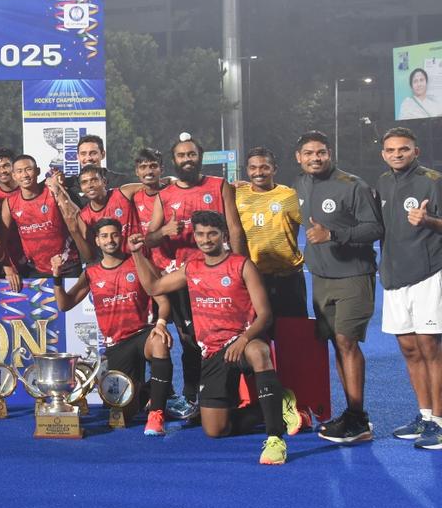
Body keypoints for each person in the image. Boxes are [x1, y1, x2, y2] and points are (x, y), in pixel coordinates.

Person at [134, 211, 301, 465]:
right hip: (211, 353)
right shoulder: (192, 268)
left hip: (243, 343)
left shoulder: (242, 265)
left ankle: (275, 439)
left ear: (223, 234)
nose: (206, 239)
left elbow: (265, 315)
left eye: (212, 233)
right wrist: (137, 253)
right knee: (215, 430)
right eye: (200, 234)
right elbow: (154, 288)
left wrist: (244, 339)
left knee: (260, 352)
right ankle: (278, 404)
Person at [144, 136, 247, 420]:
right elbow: (149, 239)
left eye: (191, 154)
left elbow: (235, 229)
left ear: (200, 156)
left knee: (221, 335)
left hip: (217, 276)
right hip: (180, 279)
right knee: (190, 339)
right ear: (174, 160)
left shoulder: (218, 186)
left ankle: (228, 394)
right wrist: (164, 231)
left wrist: (240, 269)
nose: (187, 159)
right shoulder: (164, 195)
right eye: (181, 155)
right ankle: (192, 398)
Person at [294, 130, 383, 444]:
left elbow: (374, 228)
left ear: (329, 153)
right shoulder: (300, 185)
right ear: (299, 157)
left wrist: (332, 235)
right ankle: (352, 412)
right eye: (309, 153)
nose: (315, 158)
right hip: (320, 279)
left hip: (353, 277)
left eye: (321, 152)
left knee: (347, 343)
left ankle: (359, 419)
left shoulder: (353, 185)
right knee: (336, 344)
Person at [51, 222, 174, 436]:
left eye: (115, 235)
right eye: (105, 236)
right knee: (123, 414)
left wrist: (161, 324)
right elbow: (64, 304)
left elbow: (163, 301)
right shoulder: (91, 272)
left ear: (121, 237)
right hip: (116, 345)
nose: (110, 240)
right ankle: (152, 389)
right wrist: (57, 278)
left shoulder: (138, 262)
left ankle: (156, 414)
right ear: (97, 241)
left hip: (143, 334)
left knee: (159, 343)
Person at [375, 127, 442, 449]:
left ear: (416, 151)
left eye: (403, 149)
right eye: (391, 150)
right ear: (383, 154)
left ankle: (440, 422)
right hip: (394, 276)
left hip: (428, 274)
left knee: (431, 349)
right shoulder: (383, 182)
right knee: (409, 350)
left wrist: (429, 221)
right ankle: (425, 415)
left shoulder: (433, 179)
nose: (397, 154)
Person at [234, 147, 307, 319]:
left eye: (264, 167)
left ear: (274, 169)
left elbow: (311, 223)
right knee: (258, 333)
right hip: (254, 277)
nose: (258, 172)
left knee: (293, 334)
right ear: (247, 170)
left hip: (288, 277)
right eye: (253, 168)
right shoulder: (237, 194)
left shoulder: (289, 195)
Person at [0, 154, 89, 284]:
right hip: (36, 270)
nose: (24, 175)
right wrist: (9, 269)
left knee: (69, 304)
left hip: (68, 267)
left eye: (28, 169)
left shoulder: (52, 190)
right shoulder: (10, 203)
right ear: (14, 176)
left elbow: (75, 217)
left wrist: (58, 190)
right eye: (19, 171)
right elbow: (2, 240)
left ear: (38, 171)